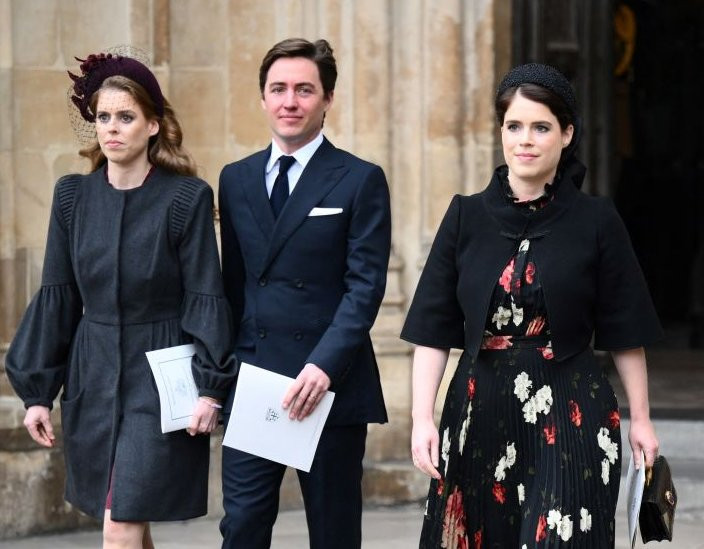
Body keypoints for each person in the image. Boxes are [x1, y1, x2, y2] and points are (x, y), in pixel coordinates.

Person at [402, 63, 662, 547]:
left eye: (541, 127)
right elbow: (433, 331)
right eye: (514, 126)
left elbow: (626, 332)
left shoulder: (597, 220)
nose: (525, 139)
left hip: (571, 410)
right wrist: (421, 418)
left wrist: (641, 419)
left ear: (566, 134)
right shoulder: (465, 216)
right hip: (478, 413)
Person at [5, 49, 236, 548]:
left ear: (153, 125)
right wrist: (38, 392)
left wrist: (211, 387)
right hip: (94, 372)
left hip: (162, 376)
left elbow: (205, 292)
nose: (111, 128)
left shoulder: (186, 199)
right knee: (123, 516)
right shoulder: (72, 197)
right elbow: (58, 295)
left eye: (126, 117)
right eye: (103, 117)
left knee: (120, 524)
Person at [217, 37, 391, 549]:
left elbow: (365, 287)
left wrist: (323, 366)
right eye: (278, 89)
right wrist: (220, 377)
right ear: (263, 98)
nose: (289, 101)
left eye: (303, 90)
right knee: (243, 527)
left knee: (333, 534)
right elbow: (233, 287)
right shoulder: (236, 179)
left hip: (329, 382)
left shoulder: (360, 179)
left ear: (327, 99)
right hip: (256, 381)